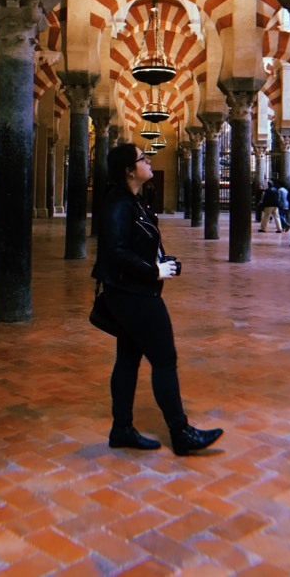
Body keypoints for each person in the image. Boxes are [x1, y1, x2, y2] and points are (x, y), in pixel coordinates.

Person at [91, 143, 223, 456]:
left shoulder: (132, 201)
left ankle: (121, 428)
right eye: (142, 159)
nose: (148, 161)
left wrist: (163, 261)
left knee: (127, 359)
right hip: (134, 295)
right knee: (164, 360)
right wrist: (153, 270)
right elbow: (115, 251)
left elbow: (137, 243)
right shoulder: (118, 203)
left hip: (131, 292)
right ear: (128, 170)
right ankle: (180, 432)